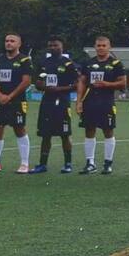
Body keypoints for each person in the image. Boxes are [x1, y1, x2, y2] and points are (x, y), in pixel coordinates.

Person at [0, 33, 35, 173]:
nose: (9, 43)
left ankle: (24, 163)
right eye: (7, 40)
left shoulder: (24, 60)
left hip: (17, 99)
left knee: (19, 128)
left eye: (12, 41)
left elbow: (26, 81)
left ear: (19, 44)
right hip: (0, 99)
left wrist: (10, 96)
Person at [75, 35, 126, 175]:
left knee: (108, 131)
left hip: (106, 101)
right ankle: (90, 163)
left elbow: (123, 83)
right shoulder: (88, 63)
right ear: (95, 47)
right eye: (98, 45)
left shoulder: (116, 64)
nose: (101, 48)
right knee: (89, 130)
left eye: (104, 45)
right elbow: (82, 82)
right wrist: (79, 101)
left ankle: (108, 163)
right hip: (89, 101)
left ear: (109, 47)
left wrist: (106, 84)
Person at [34, 37, 77, 174]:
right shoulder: (43, 63)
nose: (52, 47)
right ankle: (42, 164)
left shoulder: (69, 64)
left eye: (55, 45)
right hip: (47, 101)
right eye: (50, 45)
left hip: (63, 102)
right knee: (45, 134)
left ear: (62, 47)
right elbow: (38, 82)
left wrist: (60, 89)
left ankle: (68, 164)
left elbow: (77, 84)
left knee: (65, 134)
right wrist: (44, 86)